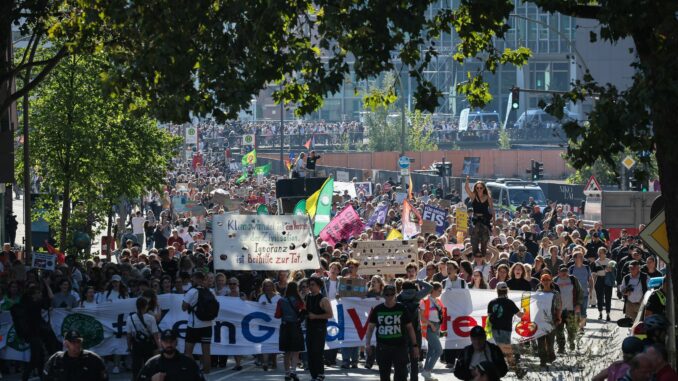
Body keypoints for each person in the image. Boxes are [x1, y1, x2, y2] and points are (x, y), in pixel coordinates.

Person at [365, 285, 420, 381]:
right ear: (383, 295)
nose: (389, 297)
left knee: (401, 376)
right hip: (382, 348)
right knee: (384, 375)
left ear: (395, 295)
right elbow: (370, 328)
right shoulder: (378, 309)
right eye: (387, 294)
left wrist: (415, 345)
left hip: (400, 348)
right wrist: (367, 344)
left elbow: (410, 328)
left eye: (392, 294)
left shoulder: (402, 308)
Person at [138, 329, 206, 381]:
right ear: (160, 342)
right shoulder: (151, 363)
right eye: (166, 342)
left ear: (176, 342)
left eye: (171, 341)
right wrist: (151, 379)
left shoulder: (189, 363)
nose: (169, 345)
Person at [487, 282, 524, 376]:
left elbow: (489, 317)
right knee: (507, 350)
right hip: (506, 329)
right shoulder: (510, 302)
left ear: (497, 290)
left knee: (501, 349)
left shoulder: (492, 302)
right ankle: (516, 370)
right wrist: (525, 310)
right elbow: (520, 315)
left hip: (495, 329)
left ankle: (502, 369)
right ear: (507, 290)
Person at [181, 271, 214, 374]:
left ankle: (193, 370)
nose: (191, 280)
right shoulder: (210, 291)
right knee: (206, 350)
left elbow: (183, 307)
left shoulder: (192, 291)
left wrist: (191, 305)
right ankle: (207, 371)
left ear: (197, 279)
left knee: (188, 350)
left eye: (193, 279)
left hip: (194, 325)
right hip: (208, 324)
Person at [43, 330, 108, 381]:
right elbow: (46, 377)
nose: (77, 344)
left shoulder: (94, 359)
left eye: (78, 341)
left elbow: (104, 377)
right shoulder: (55, 359)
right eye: (73, 342)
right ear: (66, 344)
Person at [274, 281, 306, 381]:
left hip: (285, 327)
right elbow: (304, 311)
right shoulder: (299, 300)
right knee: (295, 351)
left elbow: (277, 315)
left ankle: (287, 374)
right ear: (296, 289)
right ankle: (294, 371)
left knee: (286, 352)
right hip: (296, 326)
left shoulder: (281, 300)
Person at [305, 277, 333, 381]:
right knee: (310, 352)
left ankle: (320, 373)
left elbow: (330, 314)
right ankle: (313, 375)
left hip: (319, 328)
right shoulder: (307, 297)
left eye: (313, 284)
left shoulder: (323, 299)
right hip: (309, 328)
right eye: (309, 285)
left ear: (318, 286)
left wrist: (315, 316)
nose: (311, 287)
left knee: (317, 352)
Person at [127, 297, 160, 381]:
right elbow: (155, 334)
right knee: (148, 364)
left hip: (136, 344)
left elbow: (129, 335)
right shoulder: (151, 318)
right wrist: (159, 346)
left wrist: (129, 346)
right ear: (146, 306)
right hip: (148, 345)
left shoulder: (130, 318)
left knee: (136, 366)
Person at [553, 265, 583, 353]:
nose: (564, 273)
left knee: (571, 329)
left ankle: (571, 342)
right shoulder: (555, 281)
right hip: (559, 310)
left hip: (571, 308)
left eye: (565, 271)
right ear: (558, 271)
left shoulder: (573, 280)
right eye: (562, 271)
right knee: (559, 330)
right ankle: (561, 347)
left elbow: (580, 291)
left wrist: (578, 304)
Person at [536, 274, 562, 369]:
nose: (546, 282)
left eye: (548, 280)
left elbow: (559, 307)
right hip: (540, 321)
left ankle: (551, 355)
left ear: (551, 281)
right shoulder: (537, 293)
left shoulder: (555, 293)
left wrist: (558, 318)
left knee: (550, 343)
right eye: (544, 280)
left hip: (552, 321)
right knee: (541, 343)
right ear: (541, 281)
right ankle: (542, 360)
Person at [420, 282, 444, 381]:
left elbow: (440, 315)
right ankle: (427, 370)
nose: (440, 293)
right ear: (433, 290)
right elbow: (421, 317)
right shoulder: (424, 301)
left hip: (436, 326)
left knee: (431, 351)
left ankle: (427, 373)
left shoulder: (438, 301)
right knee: (439, 350)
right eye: (439, 291)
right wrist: (431, 324)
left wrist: (439, 327)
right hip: (430, 327)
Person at [465, 176, 493, 257]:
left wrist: (493, 225)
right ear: (475, 188)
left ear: (484, 188)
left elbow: (492, 210)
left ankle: (483, 257)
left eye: (481, 187)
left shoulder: (488, 197)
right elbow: (467, 189)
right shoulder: (473, 196)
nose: (479, 189)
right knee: (474, 240)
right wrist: (467, 180)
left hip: (485, 220)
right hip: (476, 220)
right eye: (477, 188)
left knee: (484, 241)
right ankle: (475, 256)